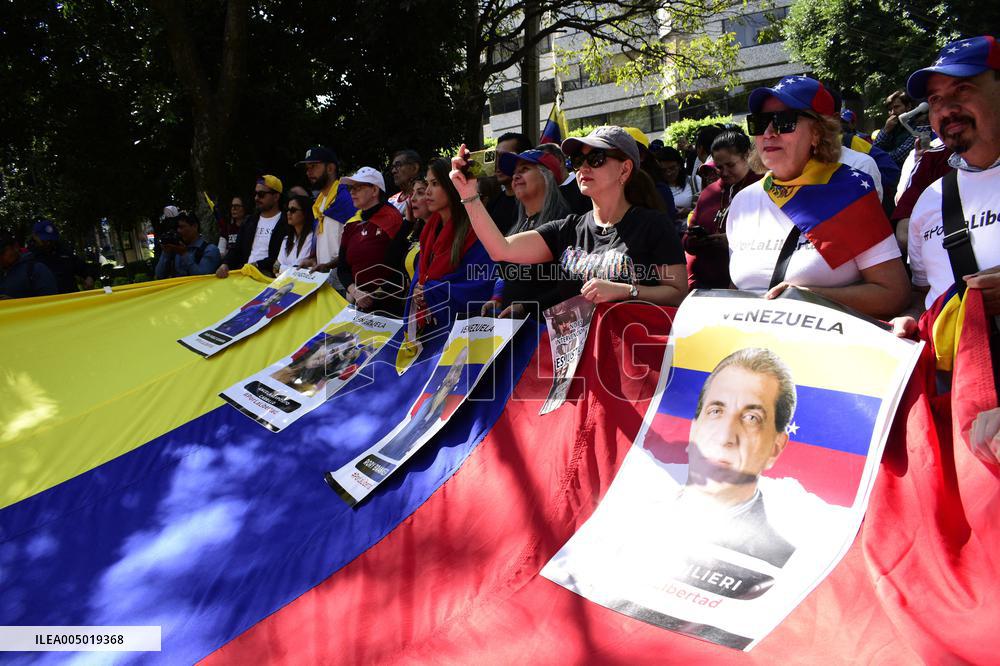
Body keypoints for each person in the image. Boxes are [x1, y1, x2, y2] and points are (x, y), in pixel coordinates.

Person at [727, 76, 910, 319]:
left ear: (818, 133)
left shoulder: (851, 192)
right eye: (760, 122)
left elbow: (894, 294)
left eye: (784, 121)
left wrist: (810, 297)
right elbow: (735, 289)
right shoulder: (743, 201)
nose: (769, 133)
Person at [452, 125, 688, 307]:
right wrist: (468, 194)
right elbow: (500, 249)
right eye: (577, 160)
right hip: (573, 361)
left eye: (596, 159)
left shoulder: (652, 225)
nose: (584, 167)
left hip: (631, 356)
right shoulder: (568, 228)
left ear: (625, 169)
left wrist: (626, 291)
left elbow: (678, 293)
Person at [683, 347, 798, 568]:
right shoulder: (636, 518)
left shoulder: (785, 563)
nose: (725, 437)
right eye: (716, 411)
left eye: (751, 418)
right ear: (693, 430)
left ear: (775, 448)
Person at [408, 159, 496, 336]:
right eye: (427, 184)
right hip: (431, 326)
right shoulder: (429, 229)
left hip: (464, 331)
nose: (427, 192)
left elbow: (480, 284)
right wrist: (418, 288)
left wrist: (432, 291)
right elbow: (423, 272)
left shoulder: (475, 229)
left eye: (435, 184)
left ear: (452, 186)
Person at [482, 149, 571, 319]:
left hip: (547, 331)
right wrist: (498, 297)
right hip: (513, 330)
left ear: (548, 175)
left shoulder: (565, 223)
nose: (515, 177)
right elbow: (506, 274)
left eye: (524, 169)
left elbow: (570, 287)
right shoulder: (517, 224)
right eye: (514, 173)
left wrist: (527, 308)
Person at [685, 130, 762, 290]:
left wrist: (734, 242)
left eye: (730, 165)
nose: (724, 172)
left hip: (748, 286)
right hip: (706, 284)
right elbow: (687, 240)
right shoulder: (708, 193)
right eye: (719, 167)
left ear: (747, 156)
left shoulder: (764, 189)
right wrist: (695, 240)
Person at [337, 167, 410, 317]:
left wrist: (373, 295)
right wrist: (355, 292)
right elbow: (342, 267)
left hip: (389, 307)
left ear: (375, 190)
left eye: (358, 187)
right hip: (357, 304)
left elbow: (396, 263)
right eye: (351, 188)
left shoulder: (392, 218)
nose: (352, 192)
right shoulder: (351, 224)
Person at [377, 347, 469, 460]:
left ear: (458, 379)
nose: (452, 375)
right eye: (452, 371)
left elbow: (424, 428)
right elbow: (414, 425)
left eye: (457, 372)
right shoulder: (430, 400)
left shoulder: (441, 406)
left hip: (401, 451)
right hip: (394, 448)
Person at [295, 147, 356, 283]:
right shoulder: (319, 201)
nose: (308, 172)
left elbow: (355, 244)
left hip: (344, 281)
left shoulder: (346, 198)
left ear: (330, 168)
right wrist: (313, 259)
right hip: (323, 278)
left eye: (314, 166)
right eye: (307, 168)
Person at [216, 175, 288, 279]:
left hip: (270, 279)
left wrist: (257, 266)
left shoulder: (286, 223)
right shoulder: (249, 221)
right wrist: (225, 265)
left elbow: (282, 258)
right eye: (256, 194)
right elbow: (236, 249)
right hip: (244, 276)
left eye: (261, 194)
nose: (256, 198)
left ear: (276, 197)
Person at [28, 219, 97, 292]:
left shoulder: (64, 252)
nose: (48, 243)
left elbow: (84, 268)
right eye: (44, 240)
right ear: (35, 237)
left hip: (70, 299)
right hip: (45, 301)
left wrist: (90, 277)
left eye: (51, 240)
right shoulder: (29, 258)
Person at [487, 132, 534, 234]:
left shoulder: (536, 203)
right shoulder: (493, 204)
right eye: (496, 157)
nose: (497, 164)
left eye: (505, 157)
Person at [154, 211, 222, 279]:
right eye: (177, 228)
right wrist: (166, 253)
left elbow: (202, 277)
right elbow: (159, 276)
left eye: (182, 227)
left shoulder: (210, 250)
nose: (178, 231)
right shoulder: (176, 249)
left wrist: (184, 254)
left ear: (195, 226)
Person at [215, 281, 295, 337]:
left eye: (280, 296)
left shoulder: (267, 311)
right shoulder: (254, 306)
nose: (275, 298)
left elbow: (248, 326)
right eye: (277, 294)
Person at [874, 89, 931, 167]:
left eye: (896, 107)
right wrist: (885, 131)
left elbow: (900, 155)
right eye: (890, 110)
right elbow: (875, 149)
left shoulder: (920, 124)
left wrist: (880, 157)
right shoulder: (891, 126)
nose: (892, 112)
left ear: (908, 106)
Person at [538, 143, 592, 215]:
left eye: (542, 165)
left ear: (559, 161)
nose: (539, 171)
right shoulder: (542, 193)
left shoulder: (585, 188)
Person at [0, 230, 57, 299]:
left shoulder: (36, 270)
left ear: (16, 247)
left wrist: (16, 304)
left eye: (2, 252)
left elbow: (50, 303)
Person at [274, 194, 316, 273]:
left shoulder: (312, 239)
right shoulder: (286, 239)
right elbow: (275, 268)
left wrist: (282, 268)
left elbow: (301, 270)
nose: (288, 213)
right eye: (288, 209)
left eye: (293, 210)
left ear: (305, 213)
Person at [655, 145, 698, 220]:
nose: (669, 173)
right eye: (663, 170)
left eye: (672, 168)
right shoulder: (656, 188)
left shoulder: (695, 181)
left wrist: (691, 212)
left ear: (680, 165)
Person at [387, 150, 423, 215]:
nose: (393, 171)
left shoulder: (424, 198)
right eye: (393, 167)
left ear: (414, 168)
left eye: (398, 165)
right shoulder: (391, 201)